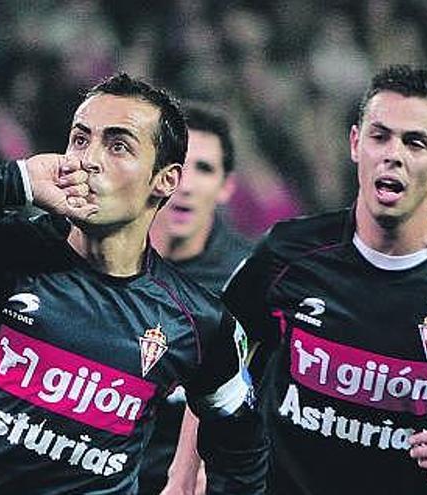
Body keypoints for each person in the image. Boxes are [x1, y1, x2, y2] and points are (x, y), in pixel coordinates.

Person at [0, 73, 267, 494]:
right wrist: (14, 181)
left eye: (117, 145)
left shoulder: (197, 322)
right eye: (81, 139)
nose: (89, 158)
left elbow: (242, 449)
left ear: (165, 180)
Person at [220, 65, 427, 494]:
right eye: (380, 136)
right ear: (356, 143)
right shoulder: (288, 253)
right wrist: (186, 473)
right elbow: (216, 365)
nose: (393, 153)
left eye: (415, 142)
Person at [140, 105, 251, 495]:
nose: (186, 185)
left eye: (204, 169)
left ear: (226, 186)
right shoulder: (103, 253)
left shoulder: (248, 279)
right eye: (179, 166)